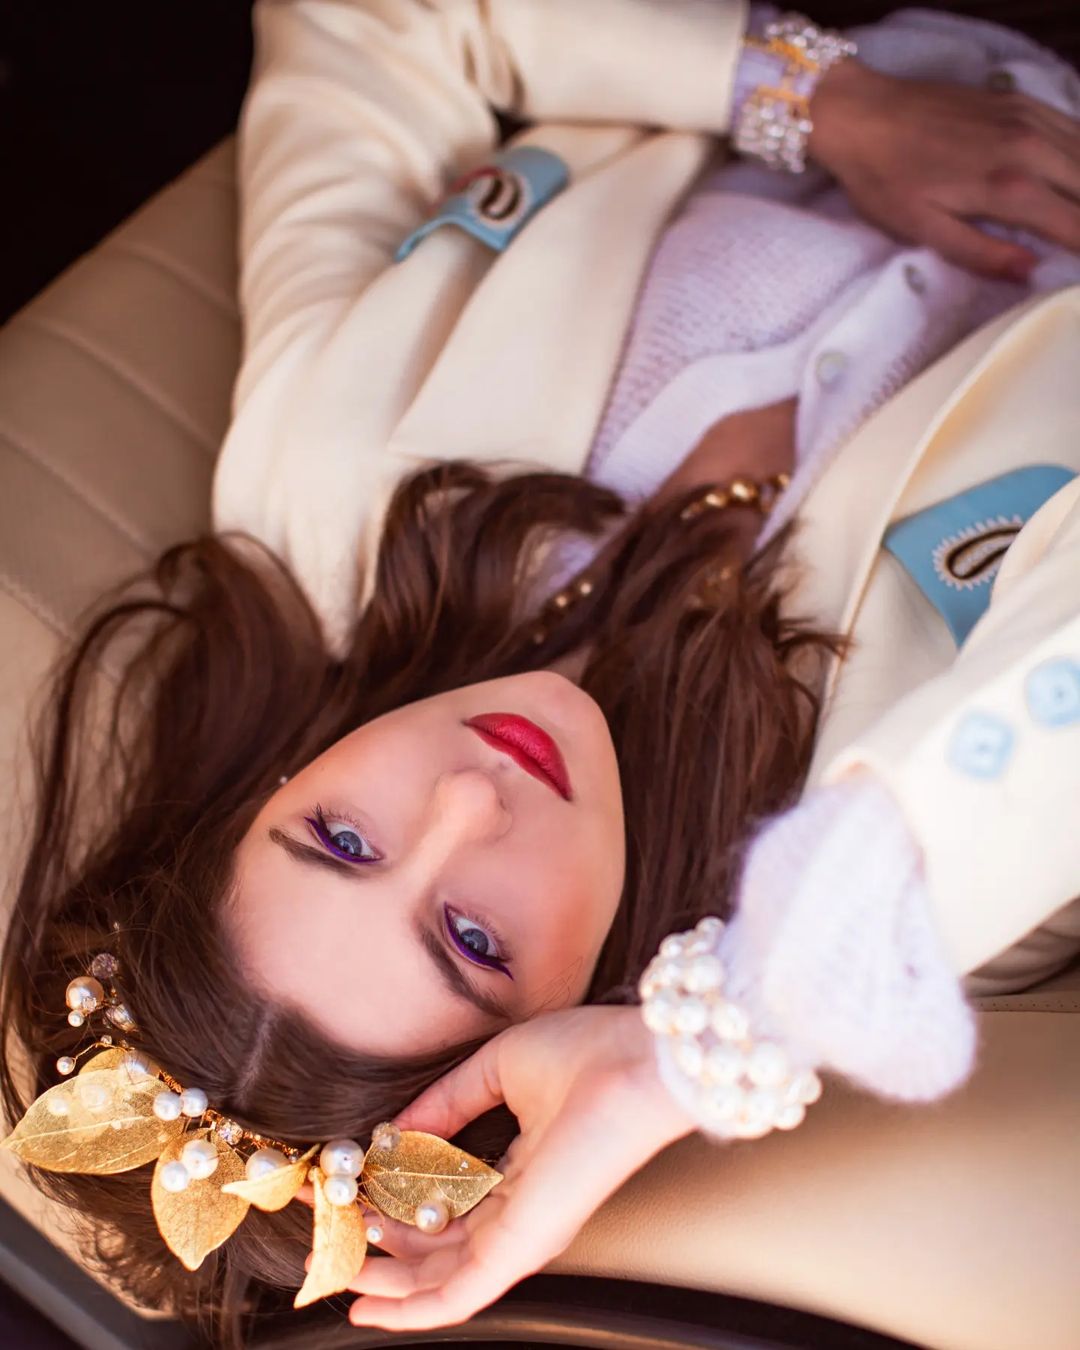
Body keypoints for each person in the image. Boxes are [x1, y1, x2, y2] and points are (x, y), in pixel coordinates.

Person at [1, 2, 1078, 1346]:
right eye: (473, 939)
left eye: (340, 838)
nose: (468, 799)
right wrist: (699, 1046)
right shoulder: (924, 865)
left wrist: (813, 97)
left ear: (263, 784)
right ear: (568, 1020)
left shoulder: (324, 472)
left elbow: (370, 20)